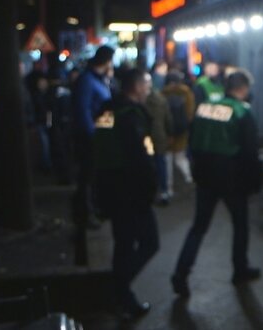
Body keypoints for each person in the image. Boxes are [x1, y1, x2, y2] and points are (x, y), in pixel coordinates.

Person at [171, 71, 263, 296]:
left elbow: (193, 142)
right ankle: (240, 269)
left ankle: (180, 274)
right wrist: (254, 183)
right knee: (240, 225)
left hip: (205, 177)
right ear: (243, 89)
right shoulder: (242, 112)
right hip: (233, 180)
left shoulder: (204, 108)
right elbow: (250, 153)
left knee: (198, 227)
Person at [92, 68, 159, 319]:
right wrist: (151, 187)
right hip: (131, 190)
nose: (149, 90)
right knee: (149, 242)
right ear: (137, 86)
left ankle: (122, 296)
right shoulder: (132, 115)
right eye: (147, 84)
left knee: (123, 244)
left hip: (108, 185)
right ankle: (117, 290)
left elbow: (98, 144)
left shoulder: (106, 111)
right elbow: (141, 156)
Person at [71, 45, 114, 227]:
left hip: (101, 136)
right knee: (87, 176)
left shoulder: (100, 80)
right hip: (91, 138)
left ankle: (96, 209)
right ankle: (86, 213)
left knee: (96, 175)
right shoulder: (88, 81)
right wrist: (92, 136)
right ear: (106, 61)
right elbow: (83, 111)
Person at [161, 71, 195, 195]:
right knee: (180, 157)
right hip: (182, 130)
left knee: (167, 159)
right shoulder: (186, 92)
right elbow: (190, 112)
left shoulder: (162, 93)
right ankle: (188, 177)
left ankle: (168, 187)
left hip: (166, 131)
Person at [144, 71, 173, 205]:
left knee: (149, 164)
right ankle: (164, 191)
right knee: (161, 163)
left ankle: (151, 192)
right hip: (160, 137)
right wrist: (170, 134)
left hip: (147, 139)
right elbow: (168, 119)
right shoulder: (161, 99)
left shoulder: (140, 101)